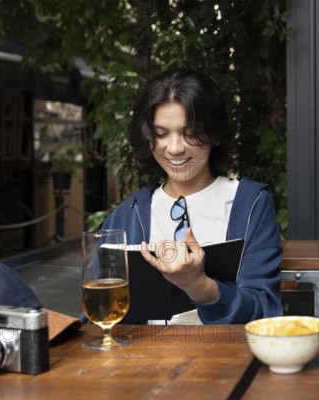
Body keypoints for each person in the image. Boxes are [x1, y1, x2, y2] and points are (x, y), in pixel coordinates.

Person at [101, 68, 283, 324]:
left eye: (190, 133)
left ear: (215, 133)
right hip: (143, 361)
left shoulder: (250, 204)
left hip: (226, 359)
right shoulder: (127, 215)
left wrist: (199, 286)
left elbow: (264, 313)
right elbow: (97, 318)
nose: (175, 148)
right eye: (161, 134)